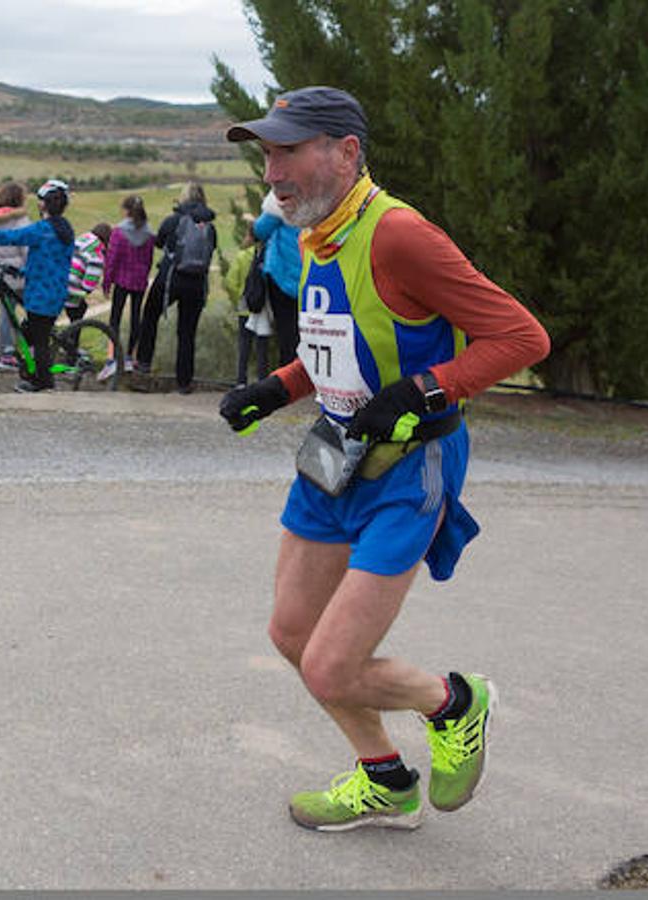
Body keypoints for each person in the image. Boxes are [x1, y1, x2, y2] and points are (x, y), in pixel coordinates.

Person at [217, 86, 549, 832]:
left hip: (407, 469)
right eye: (266, 152)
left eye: (288, 151)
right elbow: (340, 346)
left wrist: (424, 391)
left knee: (331, 665)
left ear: (345, 152)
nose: (272, 170)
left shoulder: (399, 235)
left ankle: (455, 703)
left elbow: (523, 339)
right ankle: (385, 778)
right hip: (333, 454)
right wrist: (276, 389)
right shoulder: (316, 232)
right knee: (292, 636)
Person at [0, 179, 75, 392]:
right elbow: (49, 261)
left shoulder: (42, 229)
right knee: (30, 334)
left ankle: (43, 382)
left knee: (39, 338)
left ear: (43, 204)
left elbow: (12, 237)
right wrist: (22, 271)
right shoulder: (65, 229)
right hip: (53, 290)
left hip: (39, 293)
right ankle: (32, 372)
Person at [137, 183, 217, 393]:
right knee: (187, 332)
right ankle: (184, 382)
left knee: (150, 314)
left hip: (171, 279)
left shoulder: (174, 220)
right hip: (198, 284)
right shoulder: (210, 225)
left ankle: (143, 362)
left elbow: (159, 242)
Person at [99, 195, 154, 382]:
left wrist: (107, 282)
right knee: (135, 318)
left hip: (122, 280)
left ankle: (112, 359)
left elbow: (112, 260)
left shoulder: (119, 232)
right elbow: (149, 260)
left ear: (126, 210)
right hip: (139, 281)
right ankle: (131, 357)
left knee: (115, 318)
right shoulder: (149, 233)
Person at [252, 190, 304, 365]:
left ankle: (289, 378)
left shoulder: (282, 196)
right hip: (309, 272)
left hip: (282, 274)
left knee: (286, 332)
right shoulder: (320, 189)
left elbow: (261, 229)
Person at [0, 182, 30, 367]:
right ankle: (31, 348)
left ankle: (6, 353)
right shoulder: (20, 220)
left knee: (6, 315)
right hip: (18, 276)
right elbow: (26, 249)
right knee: (35, 311)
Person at [225, 236, 274, 387]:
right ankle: (262, 381)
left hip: (245, 306)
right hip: (263, 308)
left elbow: (231, 282)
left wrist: (238, 300)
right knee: (262, 348)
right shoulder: (270, 257)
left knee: (244, 346)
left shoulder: (242, 256)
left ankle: (241, 381)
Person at [64, 222, 111, 324]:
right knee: (79, 311)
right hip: (68, 289)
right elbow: (87, 287)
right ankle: (71, 338)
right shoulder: (97, 255)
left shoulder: (82, 238)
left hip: (56, 280)